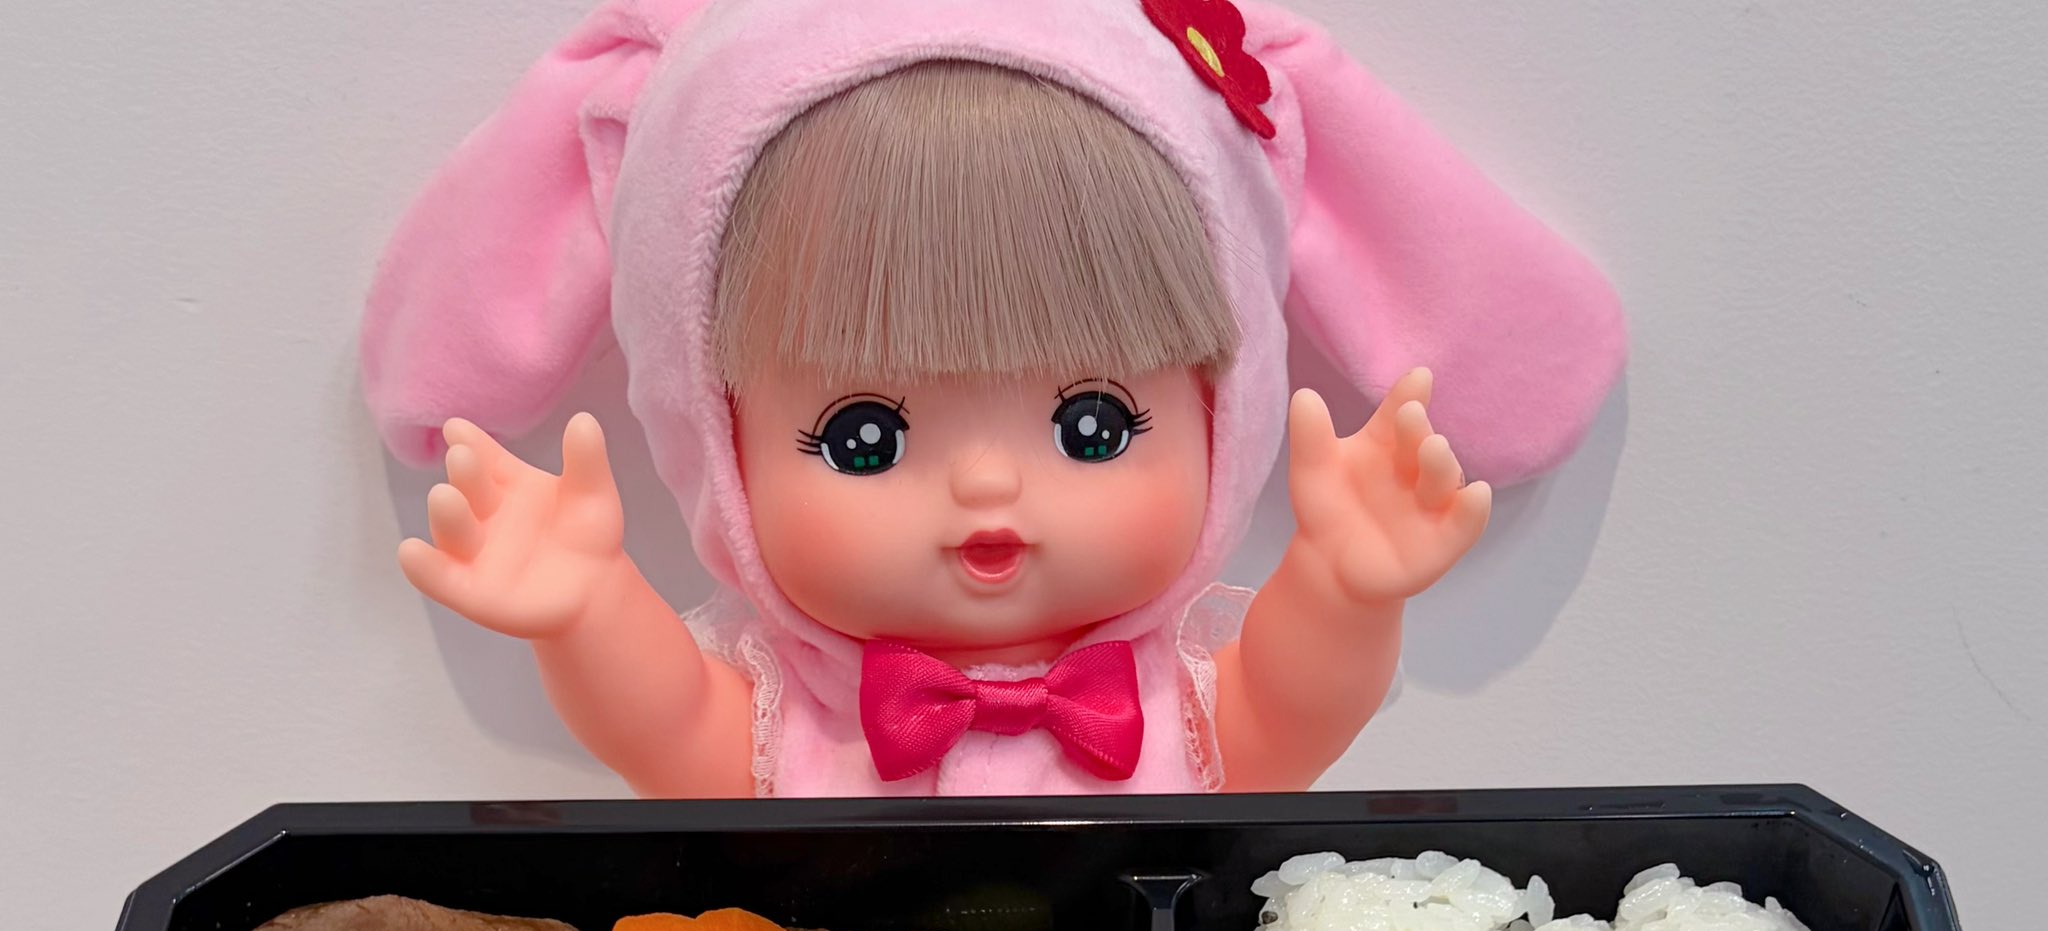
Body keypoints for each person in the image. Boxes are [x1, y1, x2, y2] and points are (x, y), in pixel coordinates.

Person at [364, 0, 1625, 797]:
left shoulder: (1167, 707)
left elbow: (1282, 722)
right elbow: (675, 740)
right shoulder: (805, 725)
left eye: (1092, 427)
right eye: (864, 437)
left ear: (1221, 411)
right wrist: (586, 610)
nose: (985, 486)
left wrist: (1342, 590)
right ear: (715, 435)